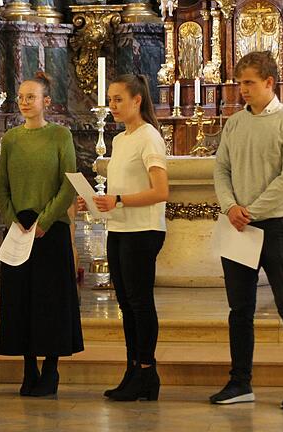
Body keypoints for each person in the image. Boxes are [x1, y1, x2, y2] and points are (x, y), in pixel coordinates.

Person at [211, 51, 283, 409]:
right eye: (240, 83)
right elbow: (220, 169)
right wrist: (230, 207)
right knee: (240, 310)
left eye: (249, 83)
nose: (242, 90)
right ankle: (240, 383)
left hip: (278, 227)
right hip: (238, 226)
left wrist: (250, 210)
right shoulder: (235, 124)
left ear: (270, 82)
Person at [79, 74, 169, 401]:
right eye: (110, 99)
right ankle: (133, 369)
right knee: (126, 305)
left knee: (140, 303)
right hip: (118, 229)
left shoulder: (149, 137)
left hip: (143, 230)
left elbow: (160, 191)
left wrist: (116, 201)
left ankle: (147, 370)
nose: (112, 105)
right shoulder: (120, 140)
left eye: (118, 99)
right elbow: (119, 191)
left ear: (137, 101)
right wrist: (94, 202)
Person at [0, 72, 83, 398]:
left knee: (51, 302)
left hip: (51, 229)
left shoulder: (60, 136)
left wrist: (45, 220)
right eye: (20, 96)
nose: (24, 102)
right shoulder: (12, 139)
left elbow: (69, 183)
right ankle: (29, 365)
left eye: (31, 96)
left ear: (46, 101)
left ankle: (51, 368)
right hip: (19, 228)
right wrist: (12, 220)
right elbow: (2, 185)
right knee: (22, 301)